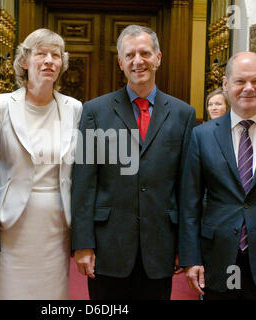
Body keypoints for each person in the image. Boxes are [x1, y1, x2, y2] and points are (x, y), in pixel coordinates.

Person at [71, 24, 196, 300]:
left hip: (160, 247)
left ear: (158, 58)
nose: (138, 61)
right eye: (130, 55)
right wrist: (83, 244)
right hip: (108, 246)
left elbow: (187, 188)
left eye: (145, 53)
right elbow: (83, 182)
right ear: (120, 62)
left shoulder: (183, 114)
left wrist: (184, 248)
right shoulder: (95, 111)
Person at [179, 52, 256, 300]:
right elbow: (189, 204)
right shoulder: (201, 136)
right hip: (218, 258)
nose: (249, 88)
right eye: (240, 81)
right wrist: (190, 258)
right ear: (225, 84)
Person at [0, 28, 82, 300]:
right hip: (11, 224)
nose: (49, 60)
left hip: (56, 223)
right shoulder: (1, 105)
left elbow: (76, 172)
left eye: (56, 55)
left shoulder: (73, 108)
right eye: (41, 53)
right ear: (25, 61)